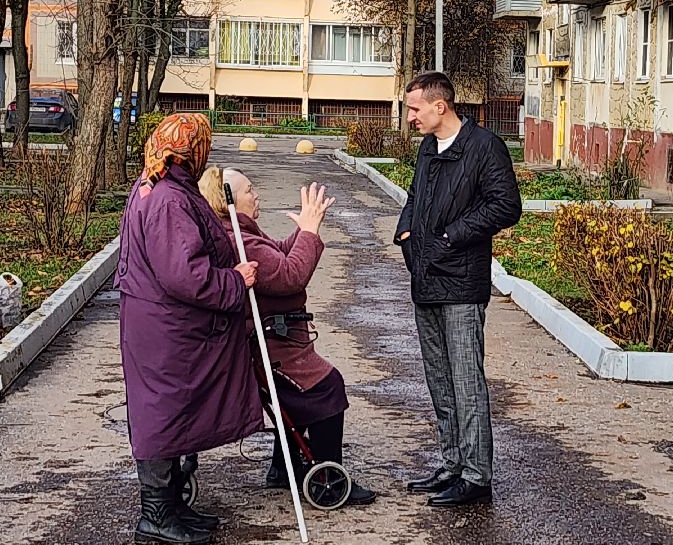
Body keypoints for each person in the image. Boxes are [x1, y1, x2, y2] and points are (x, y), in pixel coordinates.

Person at [115, 114, 262, 545]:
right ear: (189, 150)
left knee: (169, 409)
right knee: (162, 411)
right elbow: (185, 274)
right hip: (166, 329)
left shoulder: (158, 185)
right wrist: (235, 280)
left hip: (160, 324)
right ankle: (156, 513)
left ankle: (171, 506)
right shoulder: (168, 198)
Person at [200, 167, 377, 506]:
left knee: (296, 399)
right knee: (326, 386)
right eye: (249, 191)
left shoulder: (242, 233)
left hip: (278, 335)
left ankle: (284, 467)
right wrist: (309, 232)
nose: (257, 195)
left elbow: (279, 253)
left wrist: (305, 230)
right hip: (271, 342)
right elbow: (289, 275)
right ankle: (327, 475)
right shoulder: (238, 238)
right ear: (229, 203)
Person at [395, 71, 522, 508]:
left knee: (466, 380)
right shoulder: (429, 148)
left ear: (439, 106)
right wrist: (407, 236)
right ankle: (451, 465)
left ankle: (476, 476)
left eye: (414, 108)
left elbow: (506, 206)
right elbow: (413, 198)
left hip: (462, 281)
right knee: (439, 379)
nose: (409, 116)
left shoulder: (484, 147)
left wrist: (451, 236)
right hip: (426, 277)